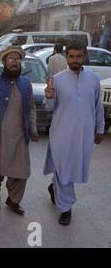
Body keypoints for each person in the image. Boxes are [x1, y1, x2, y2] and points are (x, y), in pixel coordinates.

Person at [0, 31, 39, 215]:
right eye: (10, 59)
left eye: (17, 60)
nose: (13, 62)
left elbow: (32, 108)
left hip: (18, 137)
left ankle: (13, 200)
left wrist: (33, 128)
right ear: (4, 63)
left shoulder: (26, 84)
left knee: (21, 172)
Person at [43, 40, 104, 226]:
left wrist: (100, 128)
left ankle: (55, 188)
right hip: (61, 133)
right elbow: (49, 108)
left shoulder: (93, 80)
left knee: (71, 168)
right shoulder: (58, 79)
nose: (75, 60)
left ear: (84, 56)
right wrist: (48, 96)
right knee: (64, 169)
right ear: (66, 57)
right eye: (71, 56)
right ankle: (65, 208)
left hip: (83, 135)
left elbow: (97, 106)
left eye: (78, 56)